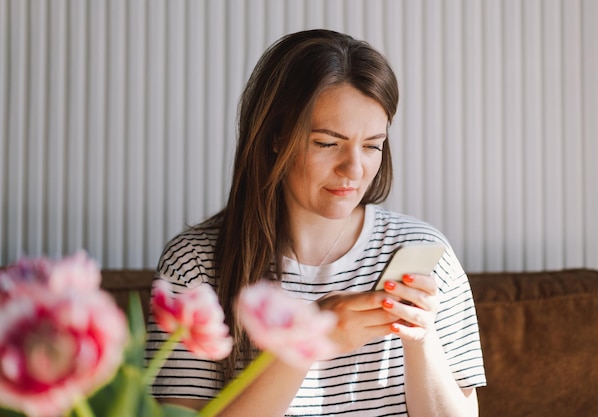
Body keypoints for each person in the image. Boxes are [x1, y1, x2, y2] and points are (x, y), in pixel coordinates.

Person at [145, 29, 486, 417]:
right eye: (327, 143)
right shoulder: (196, 262)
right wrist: (310, 337)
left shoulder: (424, 254)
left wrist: (421, 340)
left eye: (372, 145)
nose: (354, 169)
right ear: (275, 136)